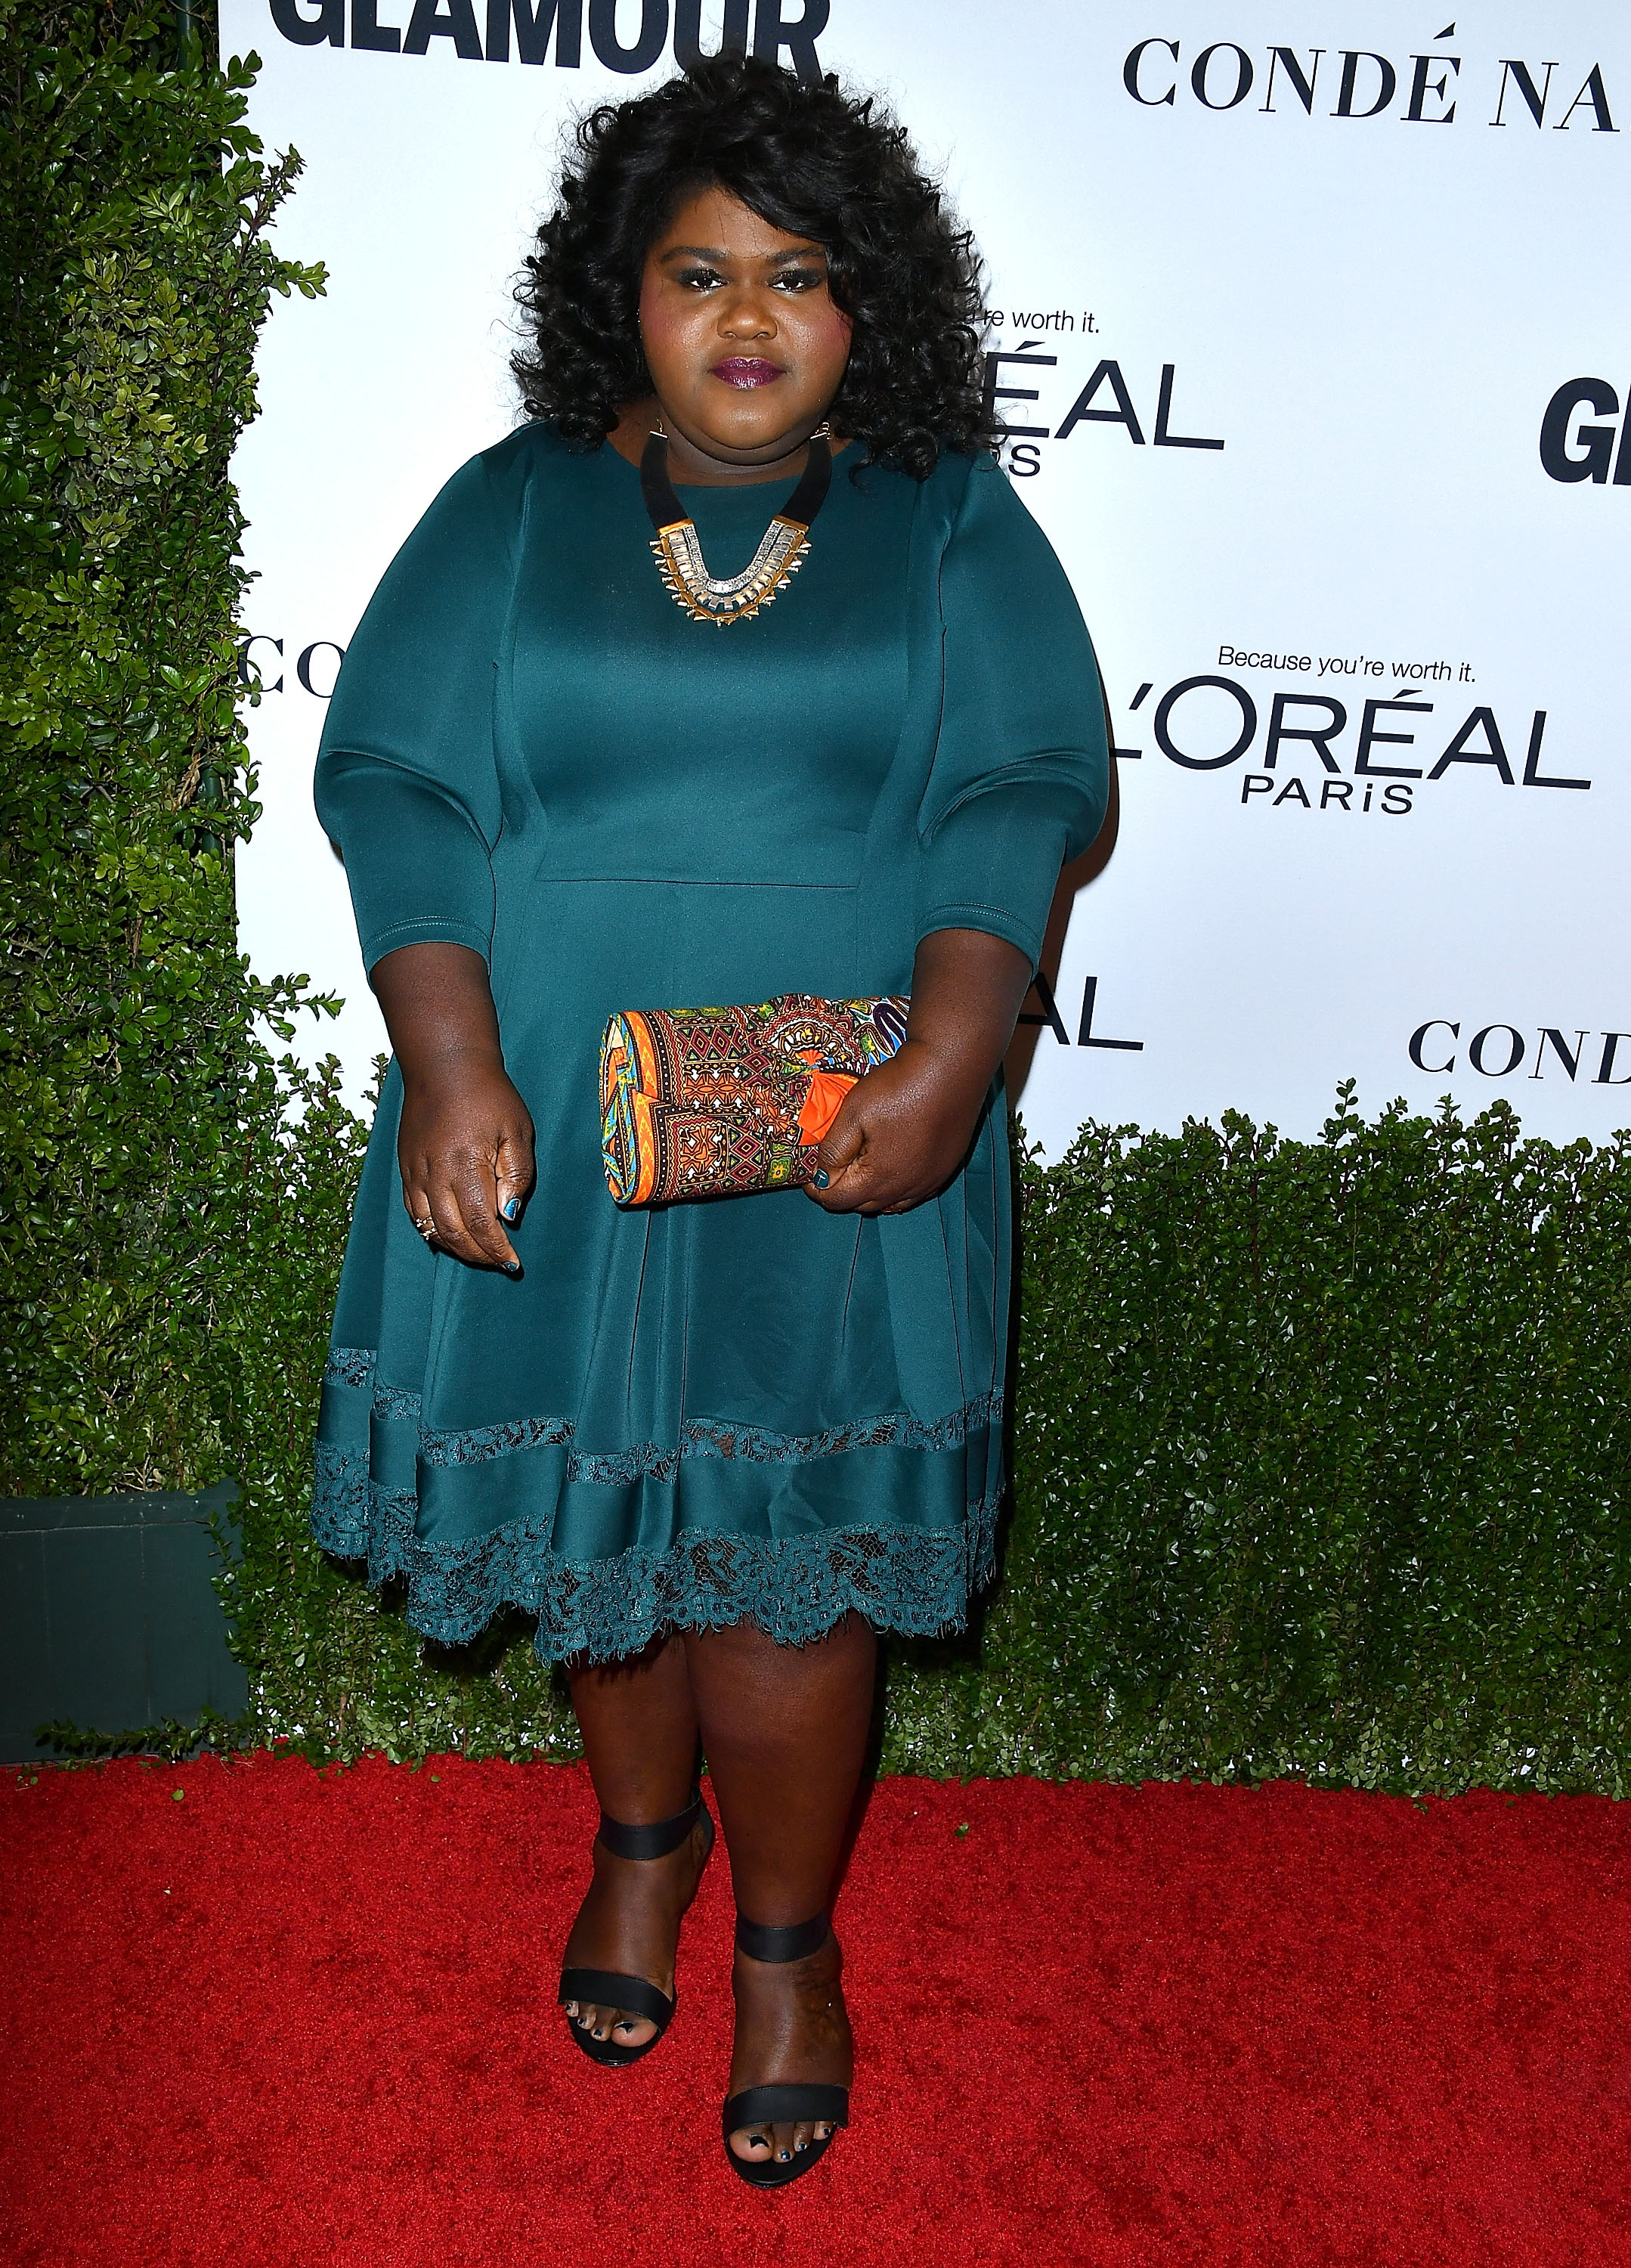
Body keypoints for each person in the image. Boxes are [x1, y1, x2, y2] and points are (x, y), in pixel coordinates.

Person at [310, 56, 1108, 2188]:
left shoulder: (950, 522)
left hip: (842, 1139)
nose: (747, 316)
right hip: (549, 1119)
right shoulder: (511, 505)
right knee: (608, 1548)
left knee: (785, 1588)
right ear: (624, 296)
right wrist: (453, 1058)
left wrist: (956, 1051)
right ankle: (639, 1849)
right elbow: (396, 780)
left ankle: (783, 1952)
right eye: (697, 270)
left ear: (872, 311)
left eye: (800, 274)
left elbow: (1020, 788)